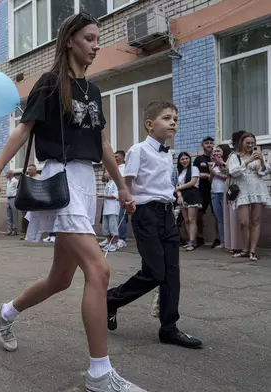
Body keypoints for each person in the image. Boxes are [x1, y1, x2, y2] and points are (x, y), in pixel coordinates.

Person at [0, 13, 146, 391]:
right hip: (58, 178)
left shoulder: (94, 91)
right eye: (89, 38)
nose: (96, 45)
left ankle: (4, 312)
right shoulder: (51, 83)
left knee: (61, 279)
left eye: (98, 38)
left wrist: (122, 187)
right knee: (98, 271)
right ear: (70, 40)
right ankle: (99, 373)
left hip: (86, 181)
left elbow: (101, 145)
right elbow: (24, 129)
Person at [107, 101, 202, 351]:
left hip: (167, 214)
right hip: (145, 214)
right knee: (154, 272)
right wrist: (126, 201)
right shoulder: (138, 150)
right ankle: (110, 300)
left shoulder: (167, 153)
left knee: (172, 273)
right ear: (150, 124)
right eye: (167, 118)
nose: (173, 123)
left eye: (175, 119)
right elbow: (126, 182)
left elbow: (163, 185)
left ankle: (169, 328)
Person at [228, 132, 270, 262]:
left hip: (257, 188)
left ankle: (252, 250)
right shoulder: (235, 156)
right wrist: (248, 161)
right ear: (242, 143)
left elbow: (265, 172)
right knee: (243, 222)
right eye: (248, 143)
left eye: (252, 143)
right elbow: (233, 172)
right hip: (243, 190)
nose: (250, 145)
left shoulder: (258, 155)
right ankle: (245, 249)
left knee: (256, 220)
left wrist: (262, 161)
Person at [193, 136, 218, 247]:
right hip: (202, 190)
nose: (209, 145)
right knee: (199, 214)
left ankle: (218, 238)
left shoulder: (216, 158)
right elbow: (193, 173)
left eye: (211, 143)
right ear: (202, 145)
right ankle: (200, 236)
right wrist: (200, 175)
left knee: (217, 214)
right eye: (206, 143)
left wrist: (208, 175)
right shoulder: (199, 159)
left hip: (216, 189)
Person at [175, 152, 202, 251]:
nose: (185, 160)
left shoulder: (194, 169)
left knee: (192, 219)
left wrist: (179, 187)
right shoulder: (180, 171)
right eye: (182, 159)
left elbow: (192, 182)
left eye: (186, 158)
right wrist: (179, 195)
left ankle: (192, 241)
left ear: (190, 159)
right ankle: (189, 241)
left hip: (192, 194)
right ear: (179, 161)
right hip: (183, 195)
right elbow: (176, 185)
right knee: (185, 220)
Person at [223, 131, 245, 254]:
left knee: (239, 215)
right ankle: (235, 244)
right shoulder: (233, 155)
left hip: (240, 184)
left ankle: (241, 244)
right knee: (232, 214)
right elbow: (229, 171)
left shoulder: (242, 154)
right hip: (233, 185)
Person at [209, 144, 230, 249]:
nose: (215, 153)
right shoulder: (213, 164)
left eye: (218, 151)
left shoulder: (226, 163)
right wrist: (212, 172)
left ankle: (229, 242)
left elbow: (228, 177)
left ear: (224, 152)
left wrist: (217, 171)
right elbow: (210, 179)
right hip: (214, 192)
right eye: (215, 151)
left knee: (226, 218)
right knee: (219, 219)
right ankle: (223, 242)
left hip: (224, 192)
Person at [98, 168, 119, 252]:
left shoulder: (116, 183)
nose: (105, 174)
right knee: (105, 227)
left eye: (107, 172)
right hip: (106, 209)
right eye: (105, 172)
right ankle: (109, 243)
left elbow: (115, 196)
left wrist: (102, 195)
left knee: (113, 227)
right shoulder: (108, 183)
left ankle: (114, 244)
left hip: (113, 209)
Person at [115, 150, 128, 248]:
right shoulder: (115, 168)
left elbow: (124, 181)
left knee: (121, 217)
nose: (115, 158)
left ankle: (122, 239)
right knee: (116, 218)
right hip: (114, 197)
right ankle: (114, 237)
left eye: (117, 156)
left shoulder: (124, 168)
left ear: (123, 158)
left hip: (122, 196)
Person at [4, 170, 19, 236]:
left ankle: (15, 230)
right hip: (8, 198)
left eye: (7, 173)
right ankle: (9, 230)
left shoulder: (15, 181)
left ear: (10, 174)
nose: (5, 175)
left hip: (13, 198)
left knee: (14, 215)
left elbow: (18, 190)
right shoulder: (8, 181)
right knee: (9, 215)